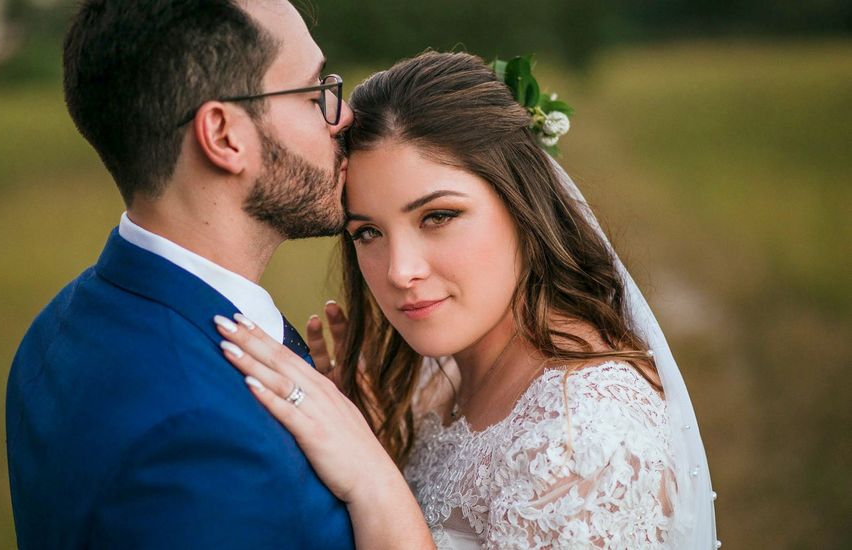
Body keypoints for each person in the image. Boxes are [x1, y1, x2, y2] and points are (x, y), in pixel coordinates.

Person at [216, 51, 718, 549]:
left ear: (522, 204)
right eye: (367, 231)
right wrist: (372, 440)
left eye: (437, 217)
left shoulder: (584, 440)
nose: (399, 271)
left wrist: (373, 480)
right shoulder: (434, 383)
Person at [5, 0, 433, 547]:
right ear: (225, 136)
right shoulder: (201, 440)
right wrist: (378, 482)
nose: (342, 114)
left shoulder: (58, 327)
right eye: (311, 93)